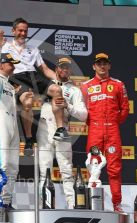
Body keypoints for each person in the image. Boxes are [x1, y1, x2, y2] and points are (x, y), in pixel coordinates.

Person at [0, 5, 69, 153]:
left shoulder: (33, 49)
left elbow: (45, 70)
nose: (23, 33)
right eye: (20, 30)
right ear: (13, 31)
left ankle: (60, 130)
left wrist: (62, 82)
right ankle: (28, 139)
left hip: (33, 75)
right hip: (16, 77)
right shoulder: (4, 45)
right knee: (27, 102)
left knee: (57, 90)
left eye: (25, 31)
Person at [80, 53, 129, 212]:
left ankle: (117, 204)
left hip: (112, 130)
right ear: (94, 66)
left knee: (114, 169)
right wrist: (96, 124)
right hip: (95, 130)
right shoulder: (86, 86)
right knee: (93, 167)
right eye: (98, 63)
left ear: (109, 66)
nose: (102, 66)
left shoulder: (118, 84)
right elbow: (82, 112)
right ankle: (93, 205)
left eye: (104, 63)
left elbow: (125, 109)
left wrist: (112, 123)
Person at [0, 30, 29, 208]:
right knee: (2, 162)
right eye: (11, 63)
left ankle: (7, 201)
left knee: (13, 166)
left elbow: (13, 106)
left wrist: (22, 100)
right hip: (1, 123)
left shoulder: (10, 86)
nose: (13, 66)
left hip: (13, 125)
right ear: (2, 65)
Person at [37, 57, 87, 209]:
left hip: (63, 129)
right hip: (44, 127)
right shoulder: (47, 84)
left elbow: (84, 115)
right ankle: (43, 206)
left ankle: (72, 205)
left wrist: (68, 106)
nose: (65, 70)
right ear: (57, 69)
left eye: (67, 67)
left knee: (66, 169)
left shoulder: (74, 90)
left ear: (70, 70)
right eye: (62, 67)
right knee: (44, 170)